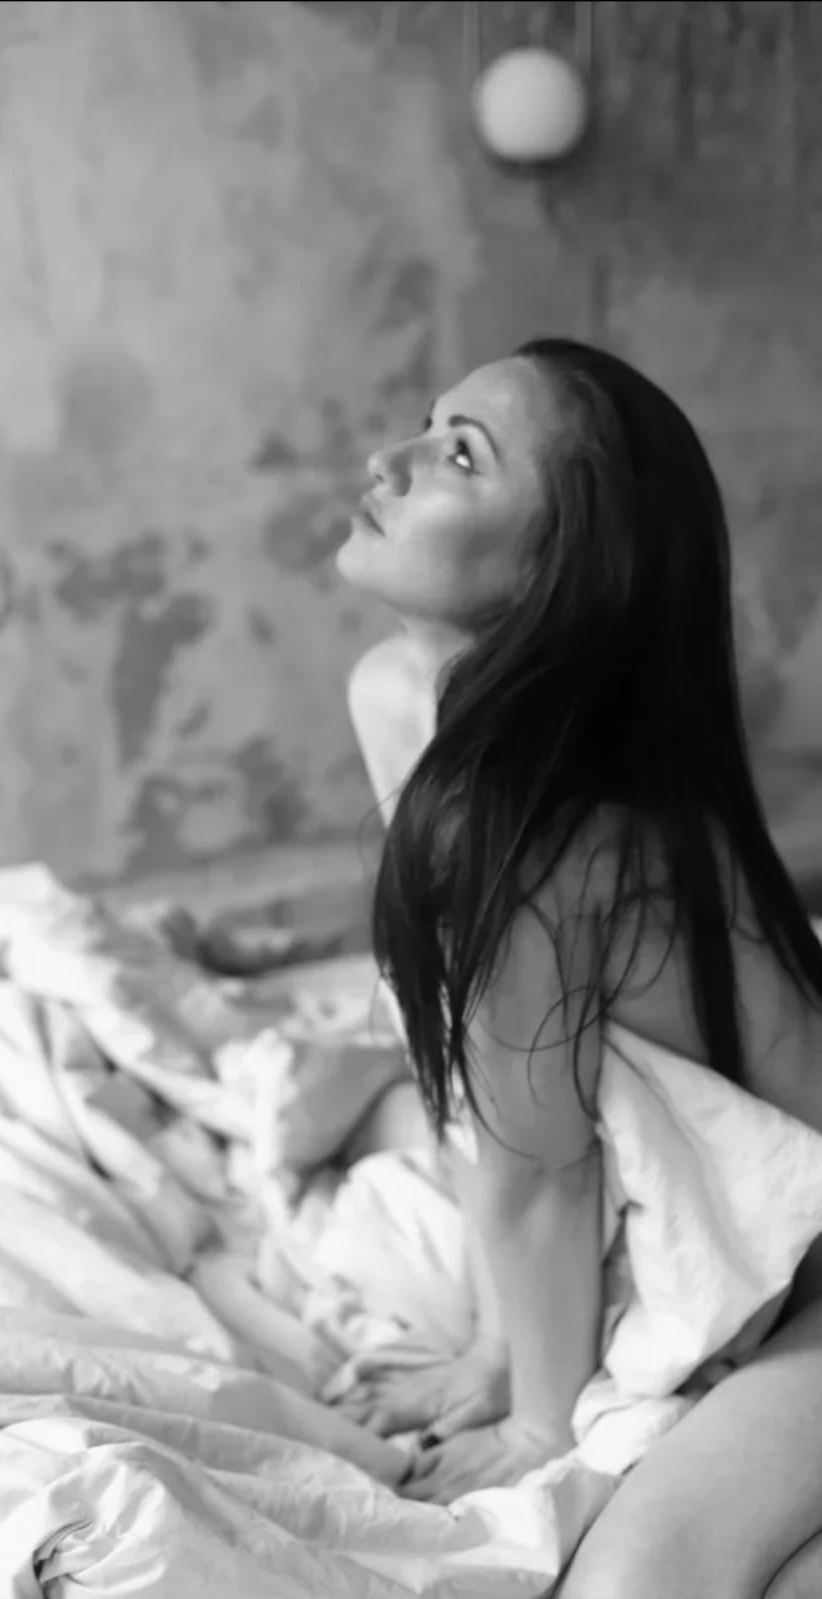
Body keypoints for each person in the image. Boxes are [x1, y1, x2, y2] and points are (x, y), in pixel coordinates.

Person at [327, 337, 822, 1599]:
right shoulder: (395, 700)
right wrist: (497, 1347)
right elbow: (490, 1089)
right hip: (718, 1233)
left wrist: (537, 1428)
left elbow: (539, 1167)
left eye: (458, 456)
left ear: (555, 573)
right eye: (427, 423)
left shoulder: (541, 828)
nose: (386, 460)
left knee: (634, 1584)